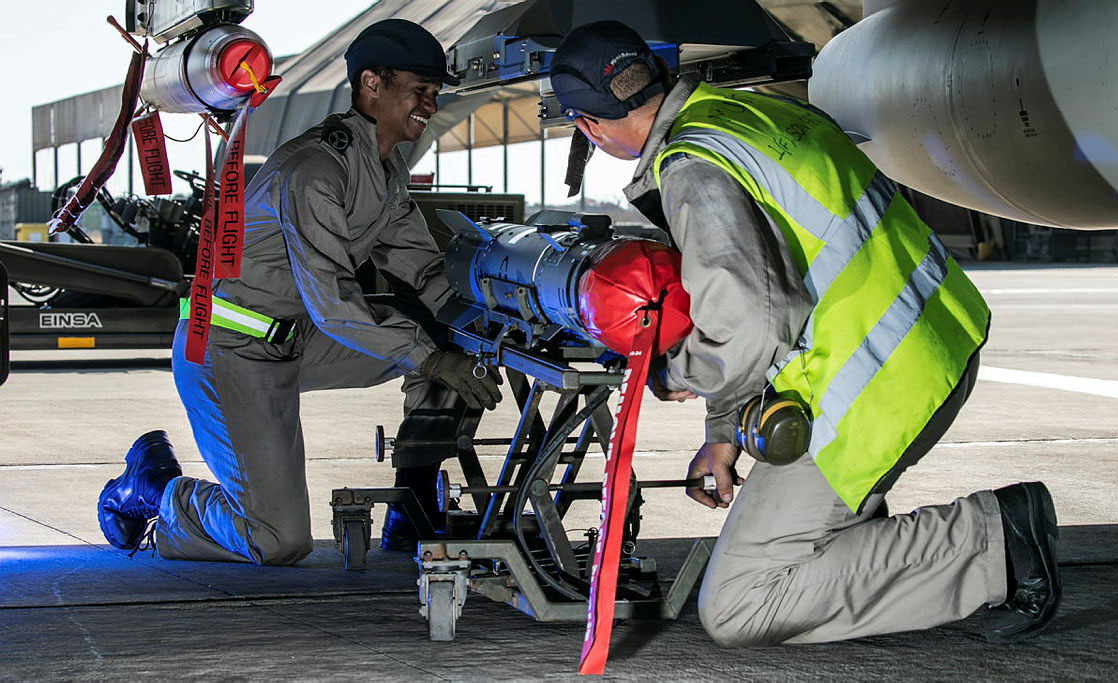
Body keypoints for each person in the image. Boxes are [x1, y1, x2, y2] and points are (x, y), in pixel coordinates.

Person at [549, 21, 1061, 646]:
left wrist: (671, 373)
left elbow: (750, 325)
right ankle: (877, 544)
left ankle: (996, 538)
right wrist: (723, 433)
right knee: (795, 540)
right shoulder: (749, 115)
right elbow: (770, 291)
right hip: (932, 341)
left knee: (739, 604)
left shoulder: (692, 168)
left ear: (587, 124)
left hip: (870, 385)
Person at [97, 19, 501, 565]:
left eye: (436, 93)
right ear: (372, 85)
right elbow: (334, 301)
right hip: (230, 350)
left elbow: (423, 272)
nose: (431, 105)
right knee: (277, 539)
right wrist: (432, 359)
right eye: (420, 90)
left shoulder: (384, 167)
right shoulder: (314, 170)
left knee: (445, 341)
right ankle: (156, 487)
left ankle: (414, 505)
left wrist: (492, 321)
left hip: (301, 340)